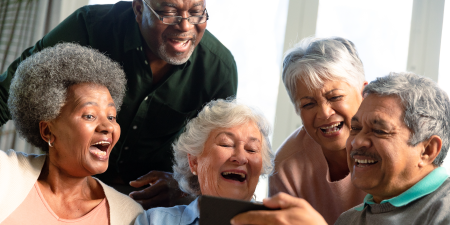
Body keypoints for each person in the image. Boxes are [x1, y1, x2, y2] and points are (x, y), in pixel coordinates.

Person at [0, 0, 238, 209]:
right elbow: (10, 90)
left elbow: (218, 159)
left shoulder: (218, 70)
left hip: (149, 205)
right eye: (168, 12)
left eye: (197, 12)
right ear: (138, 8)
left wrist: (183, 186)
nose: (185, 26)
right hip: (66, 184)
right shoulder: (90, 28)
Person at [230, 72, 450, 225]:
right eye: (355, 128)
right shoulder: (349, 220)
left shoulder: (444, 209)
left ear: (428, 150)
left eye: (379, 130)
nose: (356, 142)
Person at [0, 43, 143, 224]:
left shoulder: (130, 215)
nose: (107, 126)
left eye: (112, 117)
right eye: (90, 115)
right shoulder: (5, 175)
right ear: (47, 130)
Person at [268, 37, 367, 224]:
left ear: (364, 93)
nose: (324, 113)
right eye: (308, 104)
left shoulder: (393, 148)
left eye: (335, 97)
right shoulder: (286, 168)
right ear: (297, 110)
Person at [134, 99, 275, 225]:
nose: (241, 157)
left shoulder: (279, 222)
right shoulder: (155, 221)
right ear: (194, 161)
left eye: (251, 149)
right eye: (226, 144)